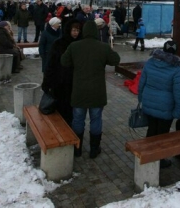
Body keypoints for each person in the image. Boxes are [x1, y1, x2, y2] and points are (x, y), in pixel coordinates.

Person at [61, 20, 121, 159]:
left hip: (79, 91)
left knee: (78, 120)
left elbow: (64, 61)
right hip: (97, 92)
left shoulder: (74, 46)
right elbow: (115, 60)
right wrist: (110, 49)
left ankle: (77, 148)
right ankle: (94, 149)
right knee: (96, 119)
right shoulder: (103, 47)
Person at [138, 40, 180, 168]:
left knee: (151, 130)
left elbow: (142, 82)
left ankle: (147, 156)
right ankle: (159, 160)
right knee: (162, 134)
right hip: (166, 108)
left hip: (149, 104)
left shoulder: (151, 62)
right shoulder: (176, 69)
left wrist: (141, 99)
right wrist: (178, 112)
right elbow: (179, 93)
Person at [41, 19, 82, 129]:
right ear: (68, 30)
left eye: (78, 30)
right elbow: (50, 65)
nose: (75, 33)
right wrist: (47, 83)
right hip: (61, 84)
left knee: (73, 113)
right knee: (61, 111)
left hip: (75, 85)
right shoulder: (59, 43)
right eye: (73, 30)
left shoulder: (81, 44)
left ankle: (70, 133)